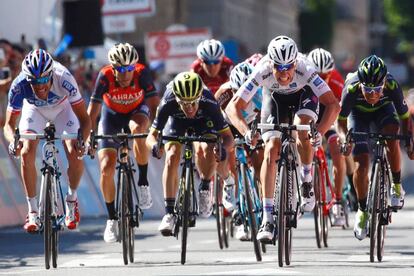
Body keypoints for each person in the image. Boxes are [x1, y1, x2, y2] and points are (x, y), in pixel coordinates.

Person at [226, 35, 340, 243]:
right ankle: (268, 218)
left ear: (296, 62)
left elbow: (333, 105)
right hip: (274, 98)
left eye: (289, 66)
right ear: (271, 63)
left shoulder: (306, 68)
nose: (284, 72)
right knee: (271, 149)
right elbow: (233, 107)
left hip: (303, 96)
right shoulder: (263, 69)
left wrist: (320, 132)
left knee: (302, 128)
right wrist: (246, 132)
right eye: (279, 67)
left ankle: (306, 179)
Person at [4, 49, 91, 232]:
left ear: (51, 74)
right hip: (34, 110)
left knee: (74, 149)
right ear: (28, 79)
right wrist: (13, 142)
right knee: (26, 151)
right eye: (34, 82)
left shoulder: (64, 78)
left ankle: (72, 200)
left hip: (63, 110)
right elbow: (8, 126)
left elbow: (85, 119)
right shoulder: (19, 85)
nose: (40, 85)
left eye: (44, 80)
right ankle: (33, 211)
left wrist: (84, 140)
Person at [146, 71, 235, 236]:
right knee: (172, 155)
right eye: (184, 104)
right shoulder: (168, 100)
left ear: (199, 97)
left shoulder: (209, 101)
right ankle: (169, 213)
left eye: (193, 103)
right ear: (177, 99)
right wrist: (153, 146)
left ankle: (205, 185)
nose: (189, 108)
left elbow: (228, 138)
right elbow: (151, 136)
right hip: (176, 122)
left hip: (203, 121)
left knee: (207, 148)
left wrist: (222, 149)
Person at [87, 43, 159, 243]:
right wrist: (90, 137)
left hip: (137, 112)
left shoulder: (142, 73)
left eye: (129, 69)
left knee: (137, 130)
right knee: (106, 168)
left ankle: (143, 181)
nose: (126, 74)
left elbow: (154, 105)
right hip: (111, 117)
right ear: (113, 68)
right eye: (120, 69)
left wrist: (156, 131)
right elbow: (92, 112)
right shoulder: (105, 76)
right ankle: (111, 219)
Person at [337, 55, 414, 240]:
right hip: (358, 116)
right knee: (361, 165)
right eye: (368, 90)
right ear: (361, 85)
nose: (372, 94)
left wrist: (409, 141)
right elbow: (340, 122)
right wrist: (344, 140)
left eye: (377, 90)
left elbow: (405, 118)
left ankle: (396, 185)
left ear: (384, 84)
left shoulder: (392, 85)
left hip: (384, 112)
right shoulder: (352, 87)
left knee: (392, 139)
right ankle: (362, 210)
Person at [215, 56, 264, 240]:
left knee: (261, 162)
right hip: (229, 126)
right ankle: (229, 184)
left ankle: (262, 199)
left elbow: (266, 118)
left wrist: (260, 136)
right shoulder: (223, 93)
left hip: (252, 124)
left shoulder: (259, 92)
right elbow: (213, 119)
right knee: (225, 155)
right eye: (237, 91)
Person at [192, 38, 237, 211]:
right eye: (207, 63)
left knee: (230, 158)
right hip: (203, 111)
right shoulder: (195, 69)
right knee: (201, 148)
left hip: (225, 111)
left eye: (216, 62)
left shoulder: (228, 67)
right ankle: (206, 180)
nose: (212, 67)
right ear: (200, 61)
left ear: (222, 60)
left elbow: (237, 92)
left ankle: (234, 199)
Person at [307, 48, 348, 226]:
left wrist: (341, 135)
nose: (322, 79)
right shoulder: (303, 76)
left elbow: (341, 113)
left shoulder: (338, 81)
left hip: (329, 116)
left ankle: (338, 200)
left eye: (326, 76)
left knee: (337, 151)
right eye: (318, 75)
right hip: (310, 113)